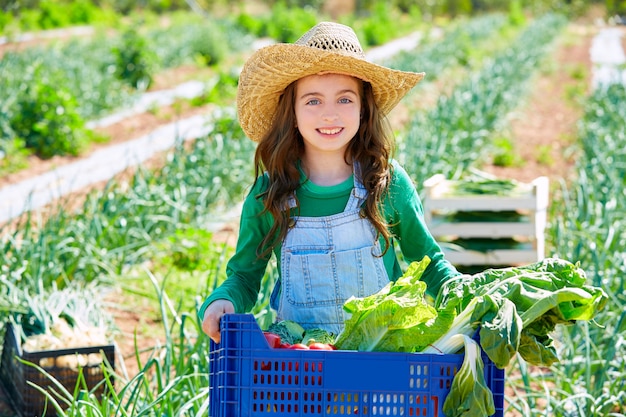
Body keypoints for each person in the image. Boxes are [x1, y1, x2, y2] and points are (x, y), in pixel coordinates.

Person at [199, 21, 459, 343]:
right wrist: (223, 301)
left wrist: (464, 296)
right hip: (302, 368)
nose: (329, 114)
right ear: (291, 112)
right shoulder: (270, 194)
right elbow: (244, 276)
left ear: (364, 108)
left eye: (345, 100)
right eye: (313, 101)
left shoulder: (387, 184)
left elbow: (430, 264)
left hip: (383, 361)